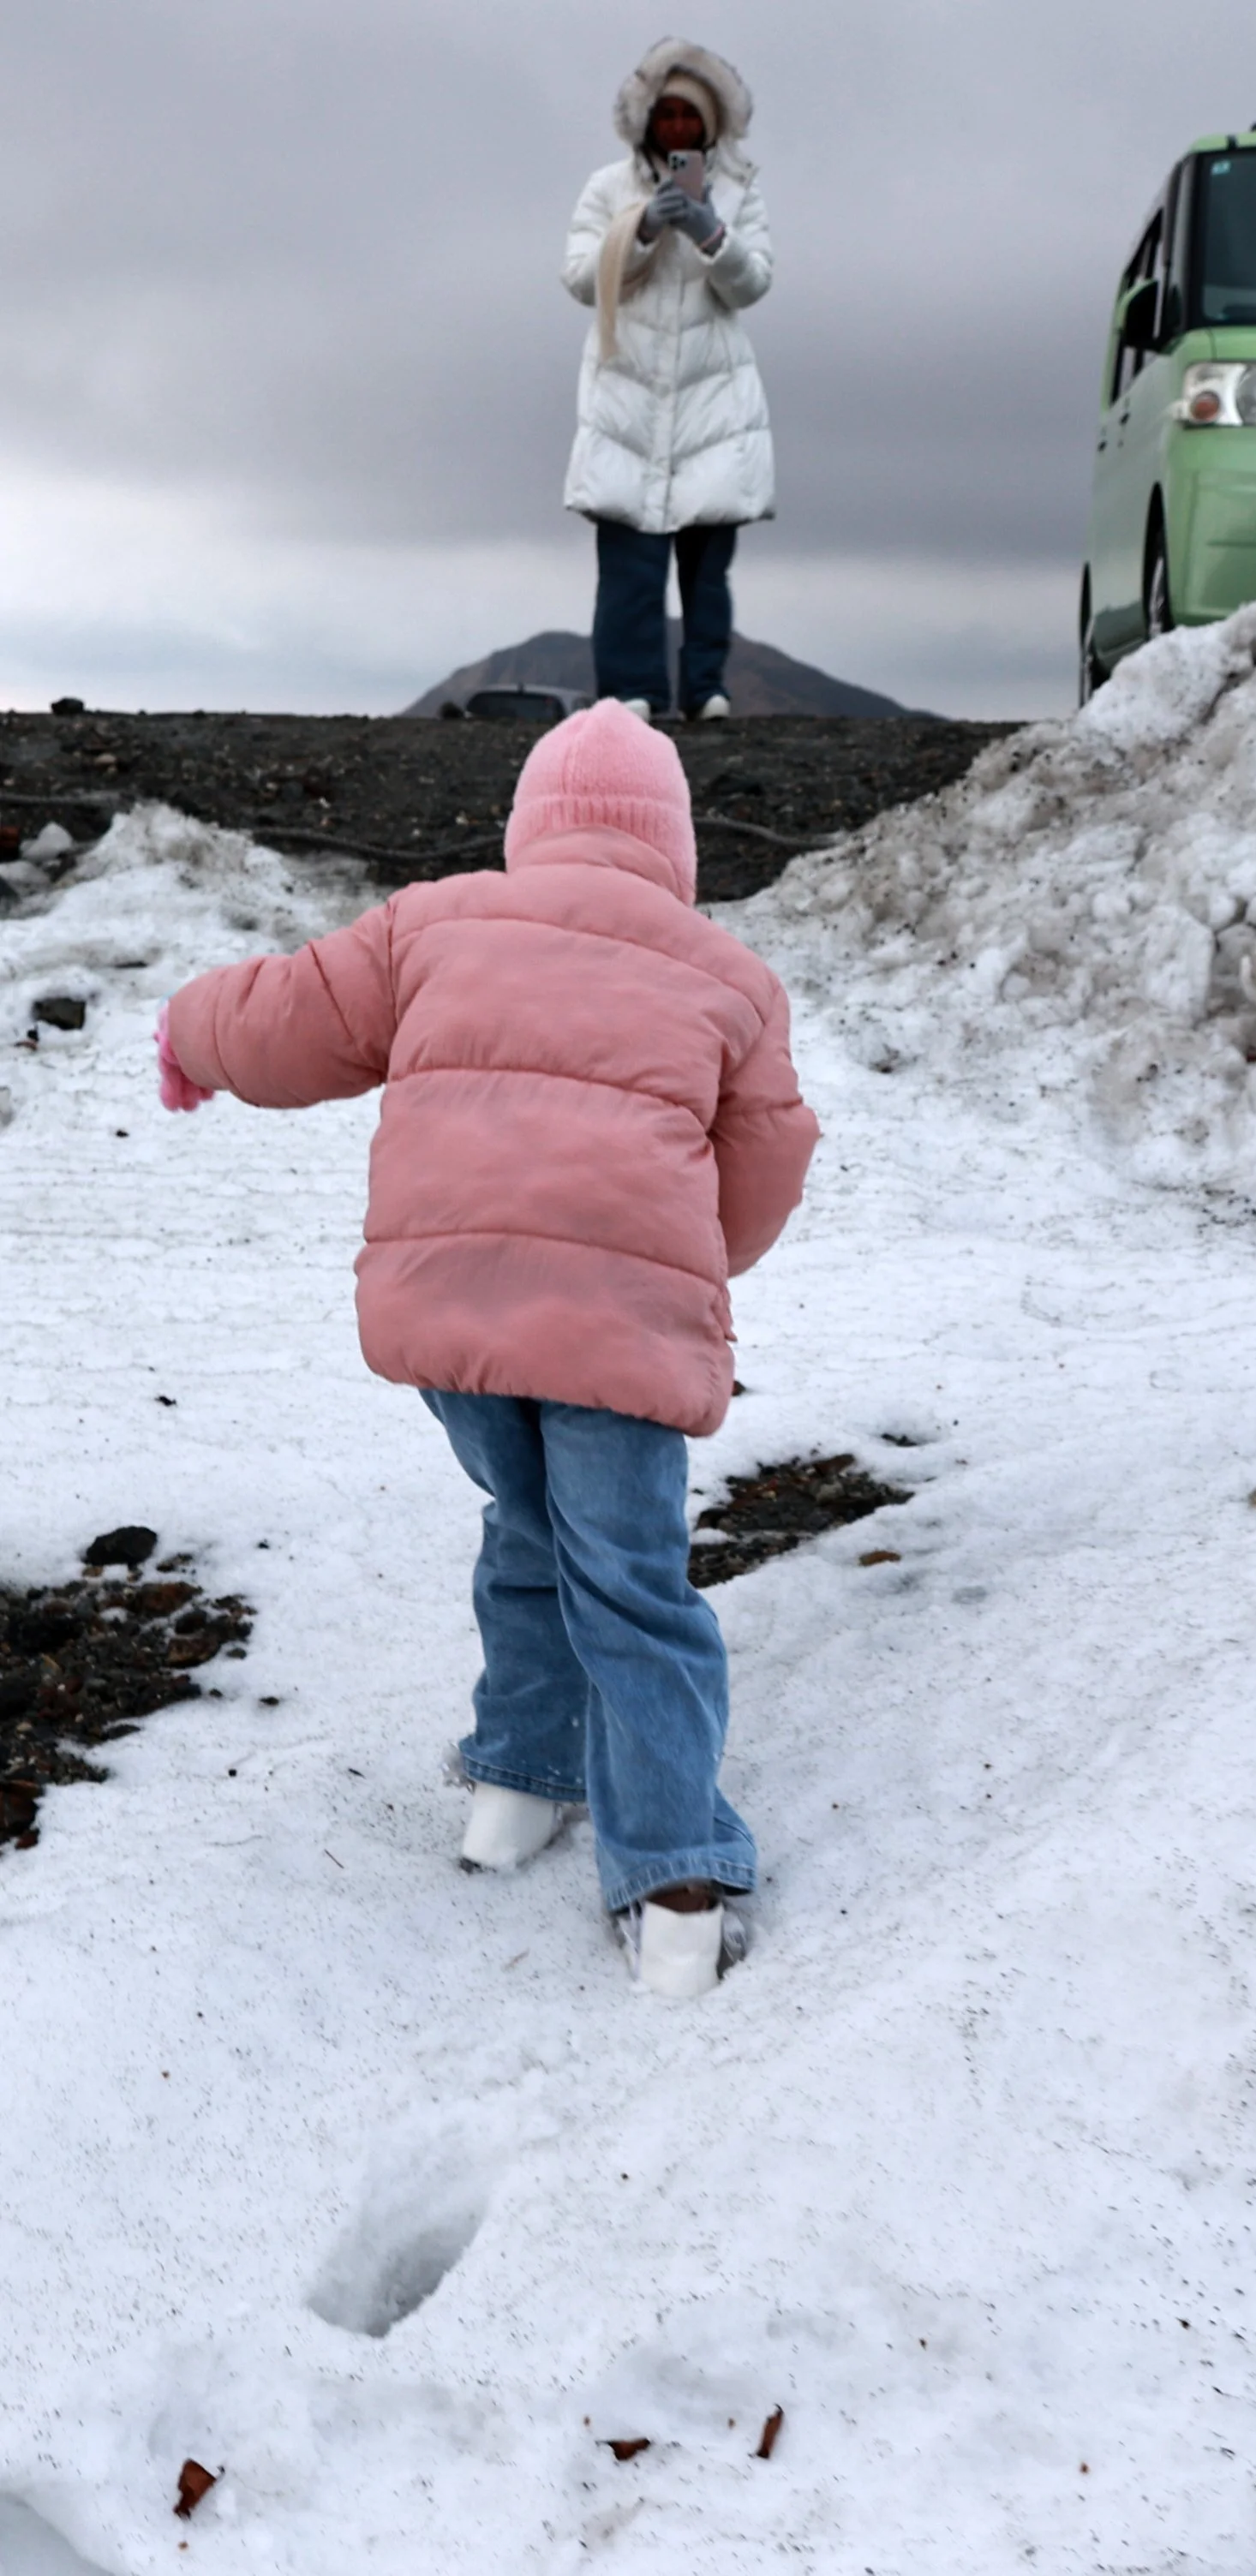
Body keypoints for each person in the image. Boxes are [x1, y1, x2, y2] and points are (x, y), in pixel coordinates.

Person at [156, 703, 819, 1999]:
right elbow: (764, 1166)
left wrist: (190, 1033)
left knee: (528, 1525)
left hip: (452, 1316)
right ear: (675, 846)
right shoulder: (728, 976)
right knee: (626, 1576)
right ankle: (677, 1878)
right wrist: (692, 1261)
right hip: (617, 1331)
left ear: (530, 830)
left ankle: (517, 1782)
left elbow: (285, 1015)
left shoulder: (432, 923)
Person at [563, 38, 775, 722]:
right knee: (630, 563)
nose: (677, 128)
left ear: (710, 123)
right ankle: (632, 692)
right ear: (647, 120)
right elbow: (577, 278)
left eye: (690, 116)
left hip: (712, 401)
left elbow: (753, 285)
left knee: (707, 563)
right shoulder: (608, 189)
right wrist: (644, 230)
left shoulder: (741, 193)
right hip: (628, 395)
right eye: (666, 114)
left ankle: (706, 687)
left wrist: (713, 233)